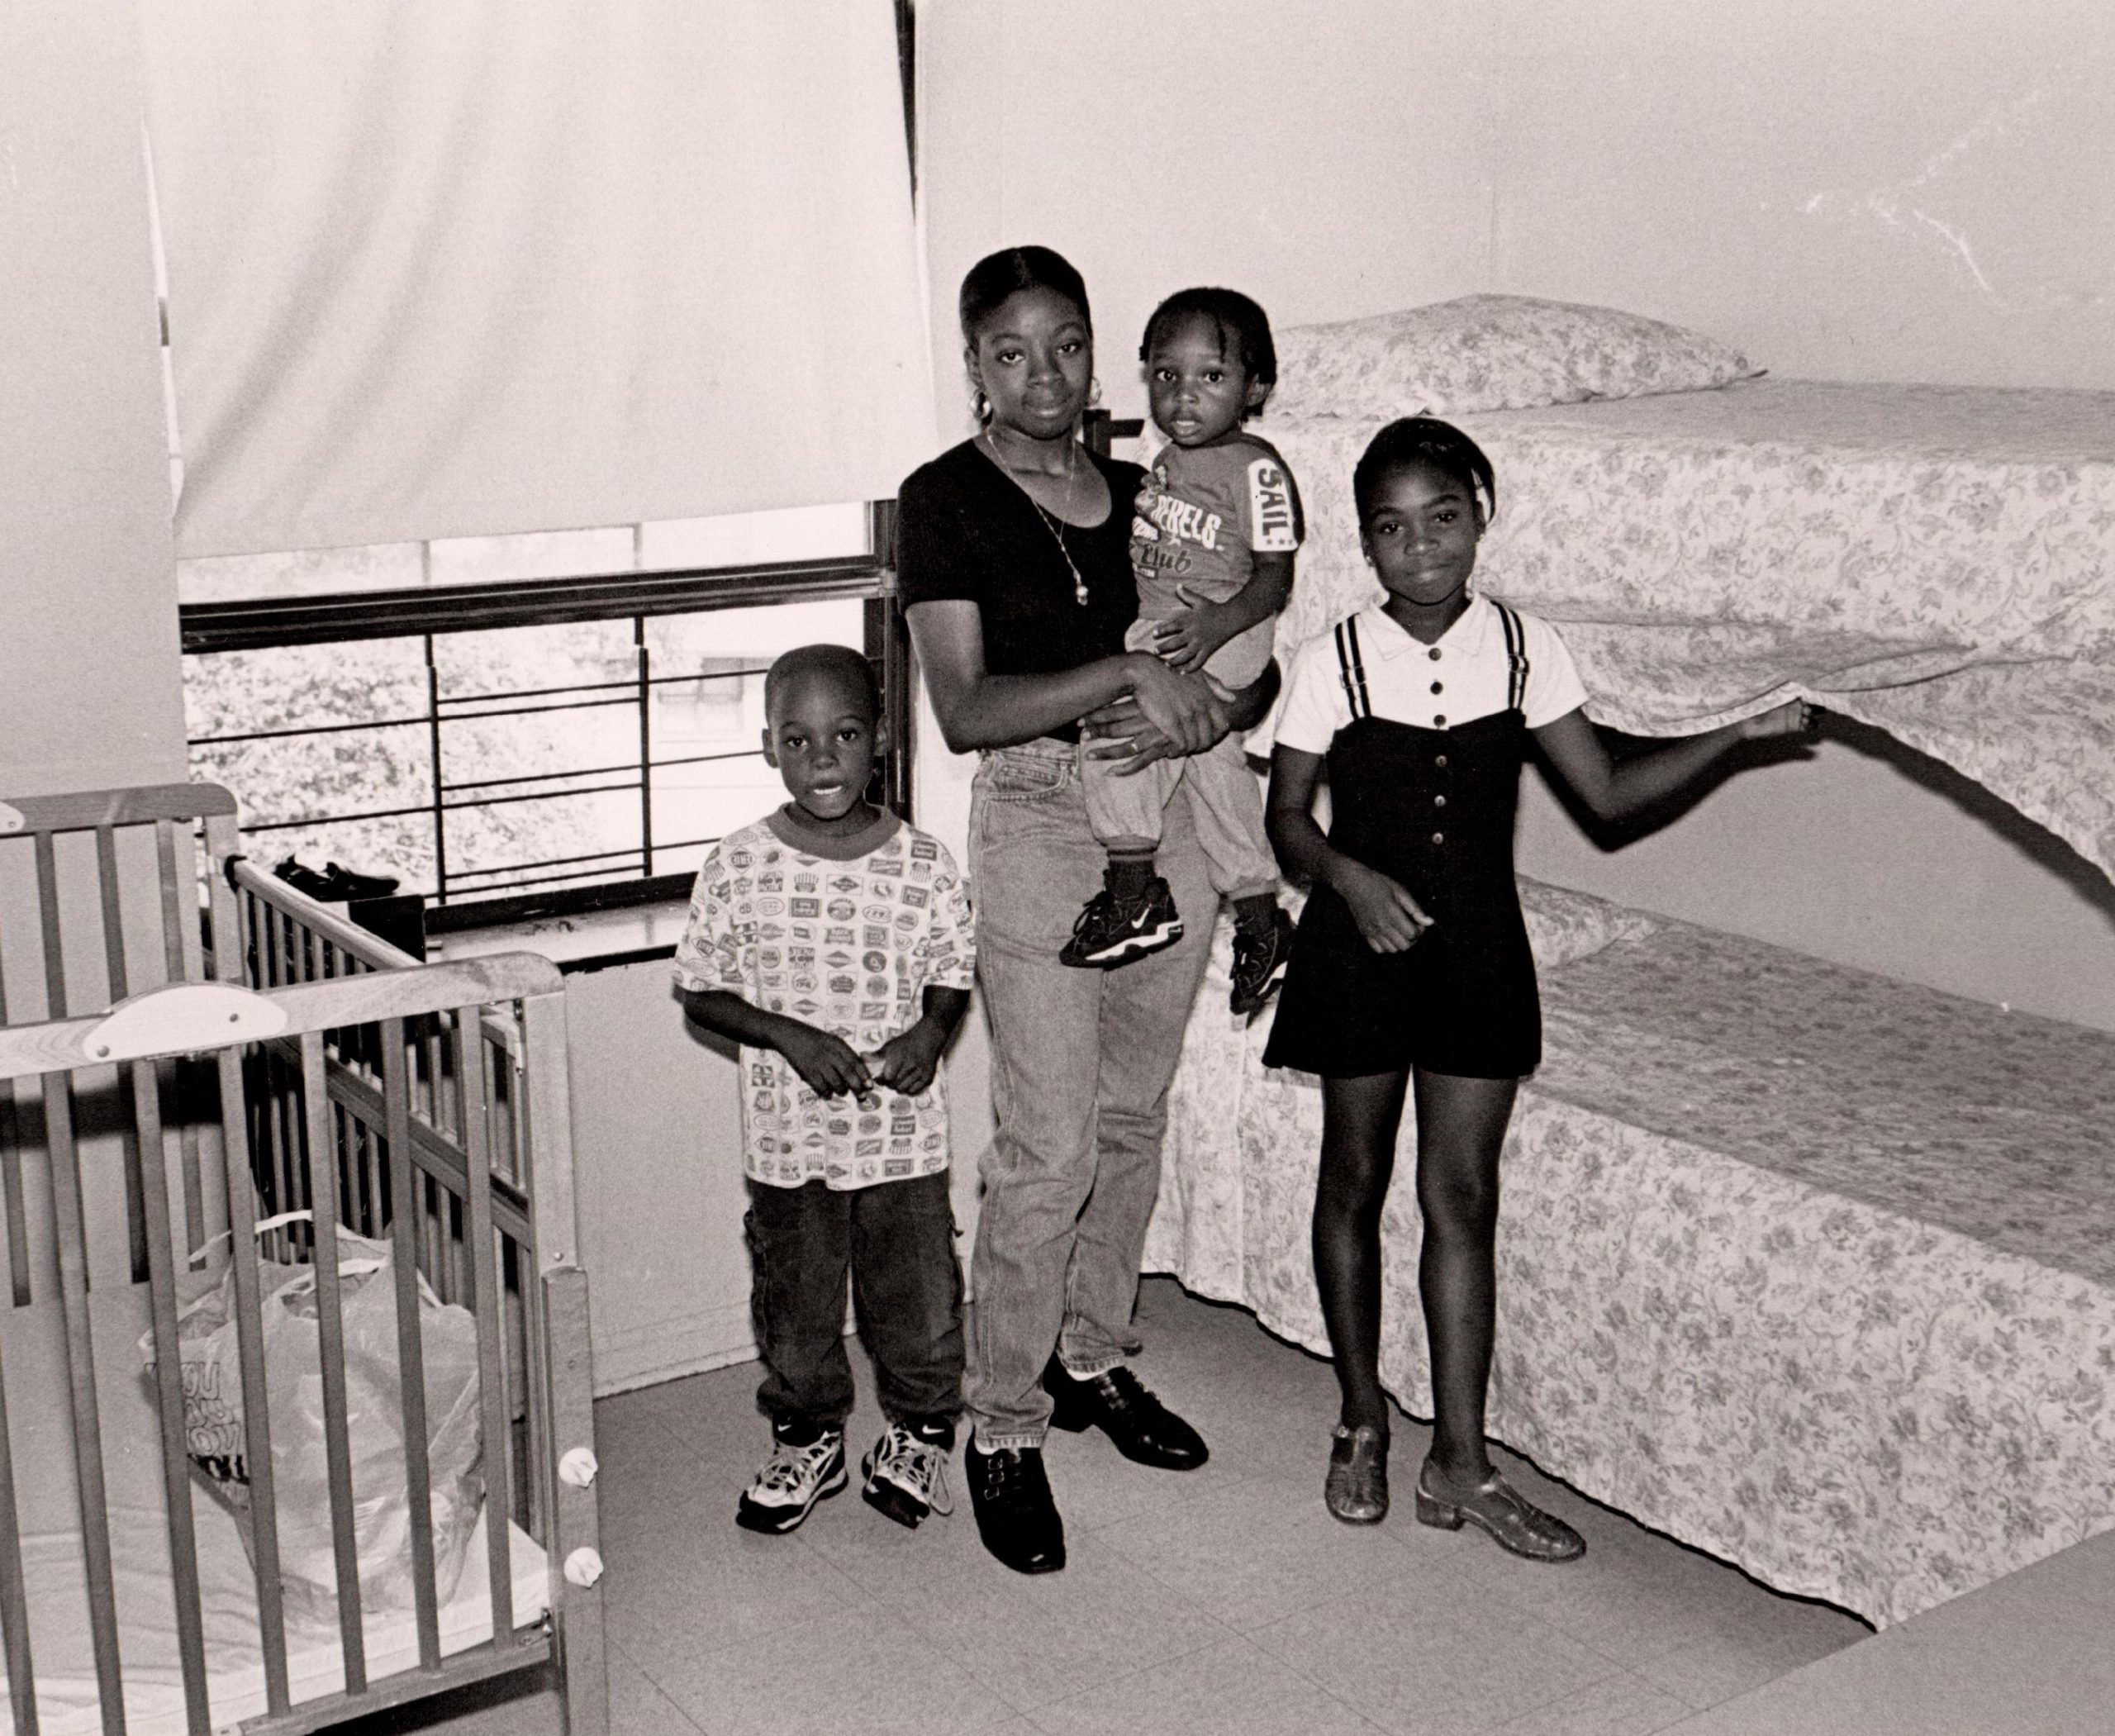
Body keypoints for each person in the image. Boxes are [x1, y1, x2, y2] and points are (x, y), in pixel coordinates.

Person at [1262, 416, 1813, 1554]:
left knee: (1461, 1200)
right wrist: (1348, 878)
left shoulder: (1525, 649)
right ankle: (1361, 1418)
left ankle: (1460, 1463)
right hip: (1357, 946)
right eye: (1392, 529)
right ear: (1366, 546)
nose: (1420, 548)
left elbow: (1605, 795)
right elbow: (1285, 817)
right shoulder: (1335, 659)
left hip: (1474, 955)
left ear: (1480, 516)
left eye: (1443, 519)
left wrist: (1740, 735)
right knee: (1354, 1178)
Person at [896, 246, 1281, 1575]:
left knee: (1132, 1118)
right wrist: (1120, 666)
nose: (1045, 375)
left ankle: (1092, 1359)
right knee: (1047, 1145)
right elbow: (965, 709)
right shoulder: (941, 500)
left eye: (1068, 345)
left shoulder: (1152, 487)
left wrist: (1221, 704)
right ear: (975, 368)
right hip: (1043, 819)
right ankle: (999, 1424)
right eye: (1013, 352)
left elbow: (1230, 642)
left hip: (1168, 807)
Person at [674, 644, 974, 1537]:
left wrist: (929, 1031)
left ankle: (919, 1435)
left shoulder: (924, 862)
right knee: (797, 1303)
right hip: (788, 1144)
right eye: (797, 740)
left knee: (918, 1301)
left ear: (878, 738)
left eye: (844, 734)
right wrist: (788, 1035)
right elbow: (701, 986)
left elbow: (951, 967)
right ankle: (807, 1438)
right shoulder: (737, 865)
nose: (823, 760)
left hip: (901, 1144)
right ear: (768, 746)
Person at [1062, 288, 1302, 1022]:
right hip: (1170, 633)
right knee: (1213, 768)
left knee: (1113, 735)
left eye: (1211, 378)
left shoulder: (1257, 468)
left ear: (1253, 387)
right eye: (1166, 377)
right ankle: (1263, 918)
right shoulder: (1161, 459)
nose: (1184, 397)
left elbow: (1277, 577)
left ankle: (1135, 891)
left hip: (1220, 631)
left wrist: (1217, 629)